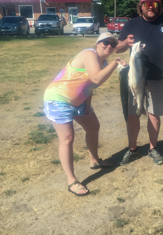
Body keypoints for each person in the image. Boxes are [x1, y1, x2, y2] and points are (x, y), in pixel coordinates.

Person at [43, 33, 124, 196]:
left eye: (113, 44)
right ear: (98, 43)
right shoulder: (89, 54)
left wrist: (87, 104)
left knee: (93, 127)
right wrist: (116, 63)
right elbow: (95, 78)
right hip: (59, 98)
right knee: (67, 138)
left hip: (79, 101)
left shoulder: (103, 62)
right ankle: (71, 180)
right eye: (105, 42)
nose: (109, 46)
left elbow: (90, 85)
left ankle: (94, 160)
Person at [115, 0, 163, 165]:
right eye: (147, 4)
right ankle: (132, 149)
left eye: (154, 4)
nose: (150, 7)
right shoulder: (132, 24)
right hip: (134, 78)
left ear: (158, 6)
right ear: (141, 6)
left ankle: (153, 148)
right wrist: (126, 43)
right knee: (133, 115)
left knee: (154, 115)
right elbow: (118, 48)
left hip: (159, 78)